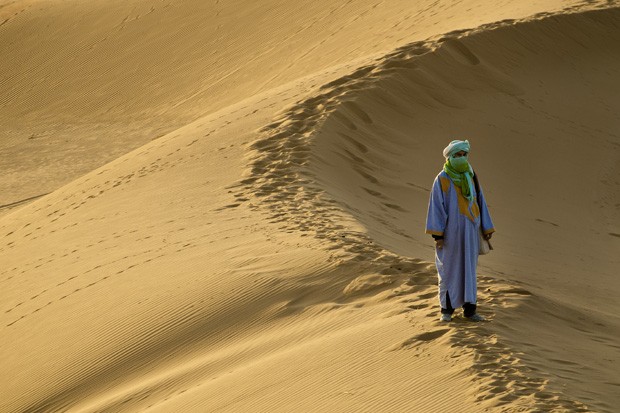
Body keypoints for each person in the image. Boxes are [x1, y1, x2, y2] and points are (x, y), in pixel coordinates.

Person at [425, 140, 495, 322]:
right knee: (448, 269)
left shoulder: (471, 176)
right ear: (450, 157)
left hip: (471, 232)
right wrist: (437, 235)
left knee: (468, 271)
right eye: (457, 155)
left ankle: (470, 310)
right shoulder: (442, 179)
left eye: (464, 155)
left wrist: (486, 227)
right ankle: (446, 310)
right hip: (450, 235)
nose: (461, 158)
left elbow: (480, 201)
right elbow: (436, 207)